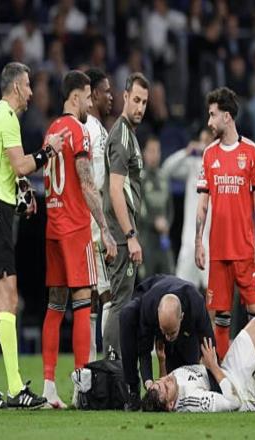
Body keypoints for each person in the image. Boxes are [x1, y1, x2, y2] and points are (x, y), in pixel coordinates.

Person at [0, 62, 64, 409]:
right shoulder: (8, 118)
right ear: (15, 88)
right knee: (9, 299)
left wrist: (21, 189)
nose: (30, 92)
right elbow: (21, 164)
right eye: (27, 86)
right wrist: (48, 149)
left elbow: (7, 170)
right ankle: (15, 389)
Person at [41, 70, 117, 408]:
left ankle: (48, 387)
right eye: (87, 97)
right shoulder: (77, 131)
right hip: (75, 227)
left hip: (53, 226)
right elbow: (87, 183)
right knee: (84, 304)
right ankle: (81, 385)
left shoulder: (52, 130)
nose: (90, 103)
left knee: (55, 306)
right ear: (75, 97)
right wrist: (105, 229)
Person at [195, 87, 255, 361]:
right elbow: (203, 204)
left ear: (227, 116)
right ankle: (222, 374)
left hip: (246, 250)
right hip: (219, 252)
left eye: (213, 115)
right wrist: (198, 242)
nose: (209, 121)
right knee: (221, 319)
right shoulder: (209, 154)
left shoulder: (250, 151)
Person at [141, 316, 255, 413]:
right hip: (245, 393)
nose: (166, 379)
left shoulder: (170, 385)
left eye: (160, 380)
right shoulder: (193, 401)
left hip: (229, 372)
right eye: (166, 387)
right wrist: (213, 366)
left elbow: (164, 386)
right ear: (171, 405)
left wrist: (162, 361)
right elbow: (233, 402)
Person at [102, 72, 149, 356]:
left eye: (144, 102)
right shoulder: (121, 136)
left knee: (122, 299)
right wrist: (130, 235)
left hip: (123, 232)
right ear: (125, 97)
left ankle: (114, 364)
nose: (140, 107)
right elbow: (116, 189)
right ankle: (111, 368)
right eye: (136, 100)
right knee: (120, 301)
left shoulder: (128, 134)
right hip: (121, 234)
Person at [118, 274, 215, 410]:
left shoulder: (195, 304)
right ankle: (132, 390)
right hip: (150, 294)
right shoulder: (149, 307)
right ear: (158, 315)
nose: (167, 338)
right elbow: (144, 349)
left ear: (182, 317)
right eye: (164, 332)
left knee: (184, 372)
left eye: (171, 333)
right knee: (127, 315)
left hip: (186, 320)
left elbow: (209, 344)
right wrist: (148, 381)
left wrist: (216, 383)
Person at [84, 68, 113, 361]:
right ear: (93, 94)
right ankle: (109, 363)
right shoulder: (93, 130)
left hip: (89, 222)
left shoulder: (93, 128)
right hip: (95, 223)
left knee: (91, 296)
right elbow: (95, 181)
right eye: (106, 91)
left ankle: (90, 367)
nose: (111, 96)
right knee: (107, 294)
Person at [161, 128, 213, 290]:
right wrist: (186, 151)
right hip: (189, 242)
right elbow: (166, 169)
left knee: (212, 292)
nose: (203, 145)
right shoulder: (193, 166)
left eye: (207, 141)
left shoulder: (222, 170)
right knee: (181, 290)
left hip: (211, 243)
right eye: (201, 141)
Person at [139, 136, 174, 278]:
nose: (155, 155)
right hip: (146, 240)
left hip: (164, 240)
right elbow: (138, 211)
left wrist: (167, 223)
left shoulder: (163, 177)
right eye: (151, 151)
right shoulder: (139, 179)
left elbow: (170, 208)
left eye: (157, 151)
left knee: (169, 280)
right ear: (144, 153)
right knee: (148, 283)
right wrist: (154, 222)